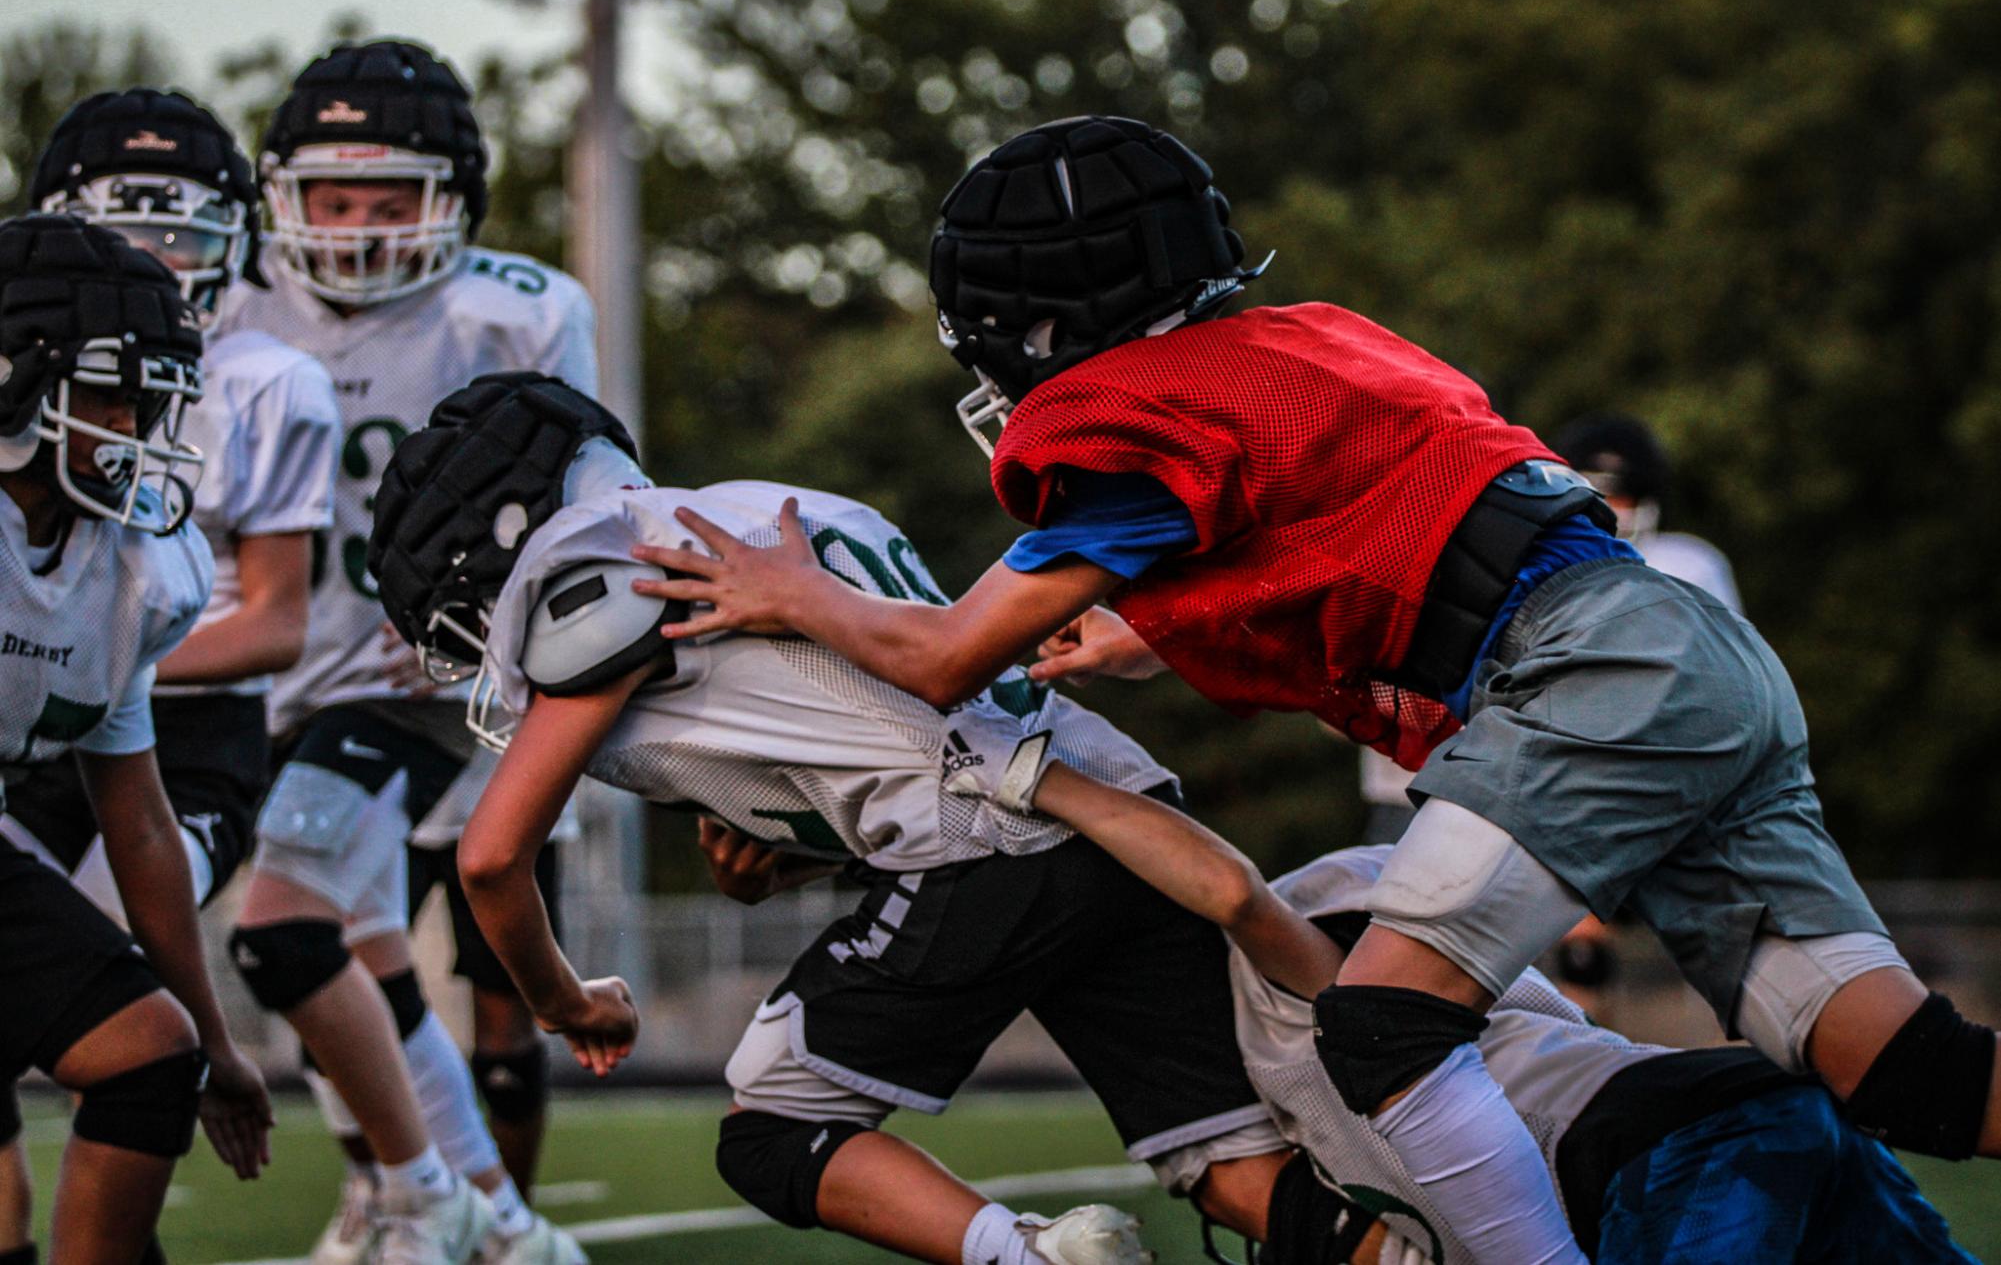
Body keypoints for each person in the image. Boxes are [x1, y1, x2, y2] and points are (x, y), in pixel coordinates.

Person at [635, 116, 2000, 1262]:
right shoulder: (1308, 342)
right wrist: (1154, 638)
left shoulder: (1123, 416)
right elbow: (1390, 540)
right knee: (1904, 1068)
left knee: (1383, 1018)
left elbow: (942, 656)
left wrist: (791, 593)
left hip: (1595, 672)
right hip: (1682, 659)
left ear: (1046, 321)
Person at [360, 373, 1366, 1265]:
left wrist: (566, 999)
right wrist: (790, 861)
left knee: (774, 1121)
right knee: (1231, 1159)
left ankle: (1027, 1255)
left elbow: (493, 859)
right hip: (1098, 806)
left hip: (990, 842)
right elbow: (876, 732)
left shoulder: (598, 569)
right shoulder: (748, 509)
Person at [1014, 764, 1977, 1264]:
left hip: (1669, 1148)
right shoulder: (1467, 973)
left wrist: (1043, 777)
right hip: (1755, 1109)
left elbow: (1232, 893)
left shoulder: (1309, 987)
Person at [213, 38, 592, 1264]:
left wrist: (472, 607)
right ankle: (469, 1211)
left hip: (435, 688)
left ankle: (446, 1202)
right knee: (352, 940)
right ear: (285, 197)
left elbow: (591, 503)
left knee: (313, 930)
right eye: (334, 199)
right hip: (263, 672)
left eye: (393, 201)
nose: (363, 228)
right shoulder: (226, 300)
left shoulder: (514, 311)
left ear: (454, 202)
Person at [0, 213, 272, 1264]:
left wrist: (212, 1032)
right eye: (113, 390)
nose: (140, 423)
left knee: (153, 1051)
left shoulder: (133, 572)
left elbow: (141, 822)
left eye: (153, 397)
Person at [1548, 413, 1741, 612]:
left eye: (1619, 499)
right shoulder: (1540, 566)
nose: (1604, 509)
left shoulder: (1691, 568)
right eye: (1590, 497)